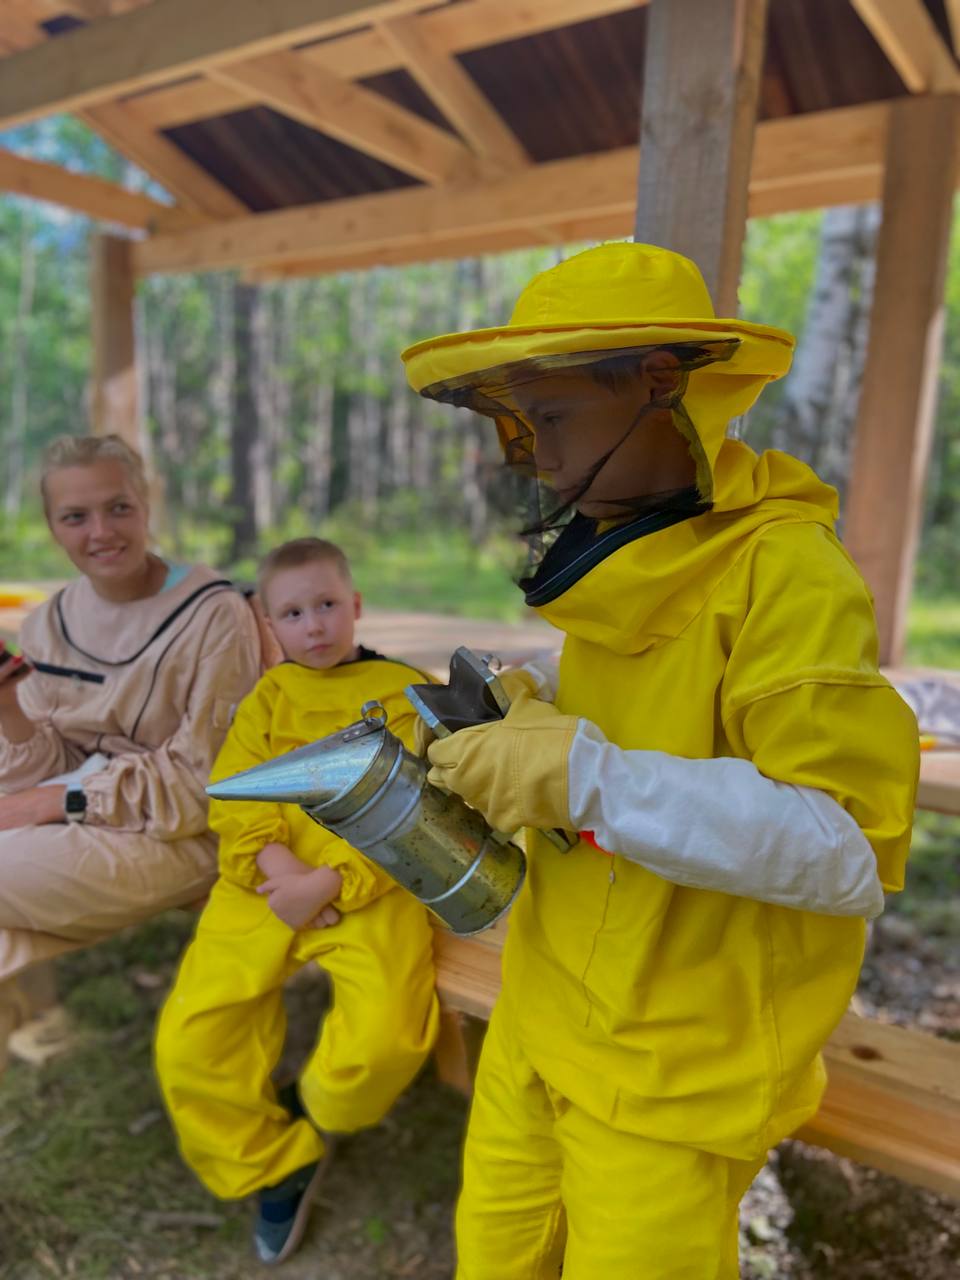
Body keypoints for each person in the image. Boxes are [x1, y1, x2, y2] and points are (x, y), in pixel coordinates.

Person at [401, 242, 919, 1280]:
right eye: (524, 425)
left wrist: (582, 774)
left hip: (677, 1071)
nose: (539, 458)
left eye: (553, 418)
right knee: (493, 1253)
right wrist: (532, 713)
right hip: (541, 1006)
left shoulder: (788, 574)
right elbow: (654, 724)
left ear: (658, 381)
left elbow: (848, 846)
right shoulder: (634, 543)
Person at [155, 537, 440, 1267]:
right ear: (268, 623)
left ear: (356, 605)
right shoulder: (268, 699)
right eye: (293, 613)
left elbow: (419, 803)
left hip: (372, 882)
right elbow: (236, 793)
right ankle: (272, 1164)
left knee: (384, 1039)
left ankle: (313, 1112)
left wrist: (331, 881)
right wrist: (280, 870)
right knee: (192, 1040)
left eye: (326, 605)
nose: (313, 626)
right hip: (264, 883)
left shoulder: (403, 692)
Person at [0, 434, 261, 1073]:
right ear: (53, 527)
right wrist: (8, 708)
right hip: (83, 815)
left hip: (182, 832)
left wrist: (57, 801)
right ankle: (25, 1024)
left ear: (147, 504)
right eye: (75, 516)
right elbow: (46, 766)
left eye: (118, 507)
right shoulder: (48, 621)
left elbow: (206, 782)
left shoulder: (212, 615)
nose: (101, 532)